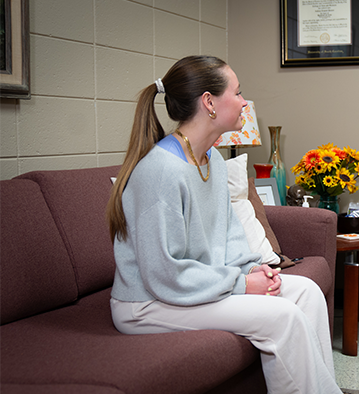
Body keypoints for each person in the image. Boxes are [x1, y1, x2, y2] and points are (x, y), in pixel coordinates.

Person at [106, 55, 341, 394]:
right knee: (282, 317)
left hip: (191, 286)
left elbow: (228, 236)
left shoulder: (211, 159)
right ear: (209, 103)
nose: (245, 102)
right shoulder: (161, 171)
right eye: (238, 92)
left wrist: (256, 270)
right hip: (146, 303)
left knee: (307, 293)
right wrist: (242, 285)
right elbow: (164, 275)